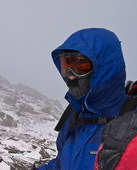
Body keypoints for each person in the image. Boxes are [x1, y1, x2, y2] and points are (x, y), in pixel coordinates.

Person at [34, 28, 128, 170]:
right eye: (66, 66)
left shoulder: (134, 120)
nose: (70, 76)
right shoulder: (74, 115)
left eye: (81, 66)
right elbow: (61, 164)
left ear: (104, 68)